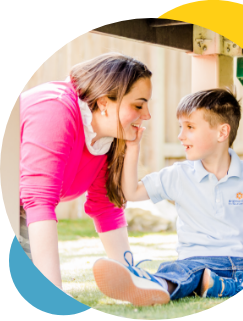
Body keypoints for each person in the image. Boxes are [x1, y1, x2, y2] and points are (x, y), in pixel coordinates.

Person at [92, 88, 243, 306]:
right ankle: (153, 286)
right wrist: (133, 148)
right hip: (196, 263)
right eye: (181, 127)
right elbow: (131, 192)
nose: (181, 136)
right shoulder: (177, 175)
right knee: (177, 272)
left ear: (222, 133)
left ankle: (222, 286)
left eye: (190, 127)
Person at [19, 52, 152, 295]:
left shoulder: (106, 136)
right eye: (138, 105)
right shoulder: (55, 109)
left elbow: (106, 206)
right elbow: (39, 201)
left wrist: (129, 278)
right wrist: (53, 293)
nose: (147, 115)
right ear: (103, 103)